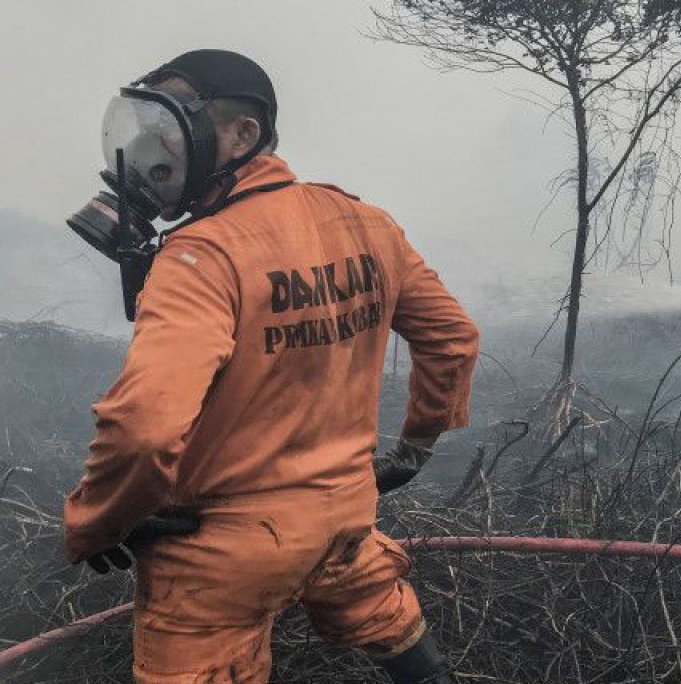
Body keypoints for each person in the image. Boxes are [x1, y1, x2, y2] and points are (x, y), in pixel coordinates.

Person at [61, 49, 478, 684]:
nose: (150, 156)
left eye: (166, 134)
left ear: (242, 134)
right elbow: (453, 340)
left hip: (220, 553)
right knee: (384, 613)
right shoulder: (368, 225)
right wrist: (412, 452)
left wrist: (97, 523)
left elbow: (145, 425)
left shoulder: (200, 256)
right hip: (344, 520)